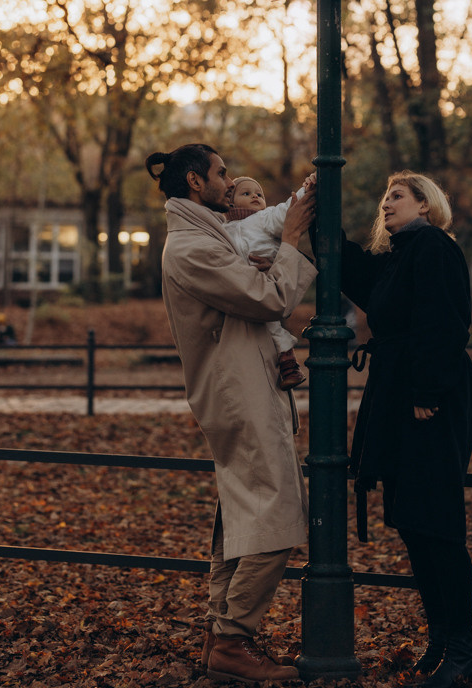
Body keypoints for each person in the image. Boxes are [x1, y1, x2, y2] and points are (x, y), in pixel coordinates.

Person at [146, 144, 316, 684]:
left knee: (243, 518)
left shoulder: (210, 237)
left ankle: (221, 637)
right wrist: (290, 240)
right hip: (238, 395)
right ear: (196, 182)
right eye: (221, 173)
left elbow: (252, 287)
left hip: (244, 390)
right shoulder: (191, 247)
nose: (229, 180)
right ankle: (232, 639)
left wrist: (265, 256)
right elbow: (270, 300)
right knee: (279, 513)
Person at [342, 171, 472, 688]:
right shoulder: (398, 257)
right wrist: (316, 216)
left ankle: (463, 652)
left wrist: (427, 391)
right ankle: (441, 642)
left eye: (397, 196)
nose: (386, 204)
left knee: (435, 520)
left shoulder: (434, 247)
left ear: (425, 205)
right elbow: (354, 270)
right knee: (413, 521)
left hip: (430, 395)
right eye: (384, 197)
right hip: (399, 392)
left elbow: (444, 321)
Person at [225, 175, 310, 390]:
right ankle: (285, 364)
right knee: (261, 326)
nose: (255, 196)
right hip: (242, 283)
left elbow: (287, 211)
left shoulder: (264, 218)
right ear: (230, 202)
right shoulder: (222, 229)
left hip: (268, 277)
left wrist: (307, 188)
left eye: (259, 194)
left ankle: (289, 364)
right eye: (246, 193)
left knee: (271, 324)